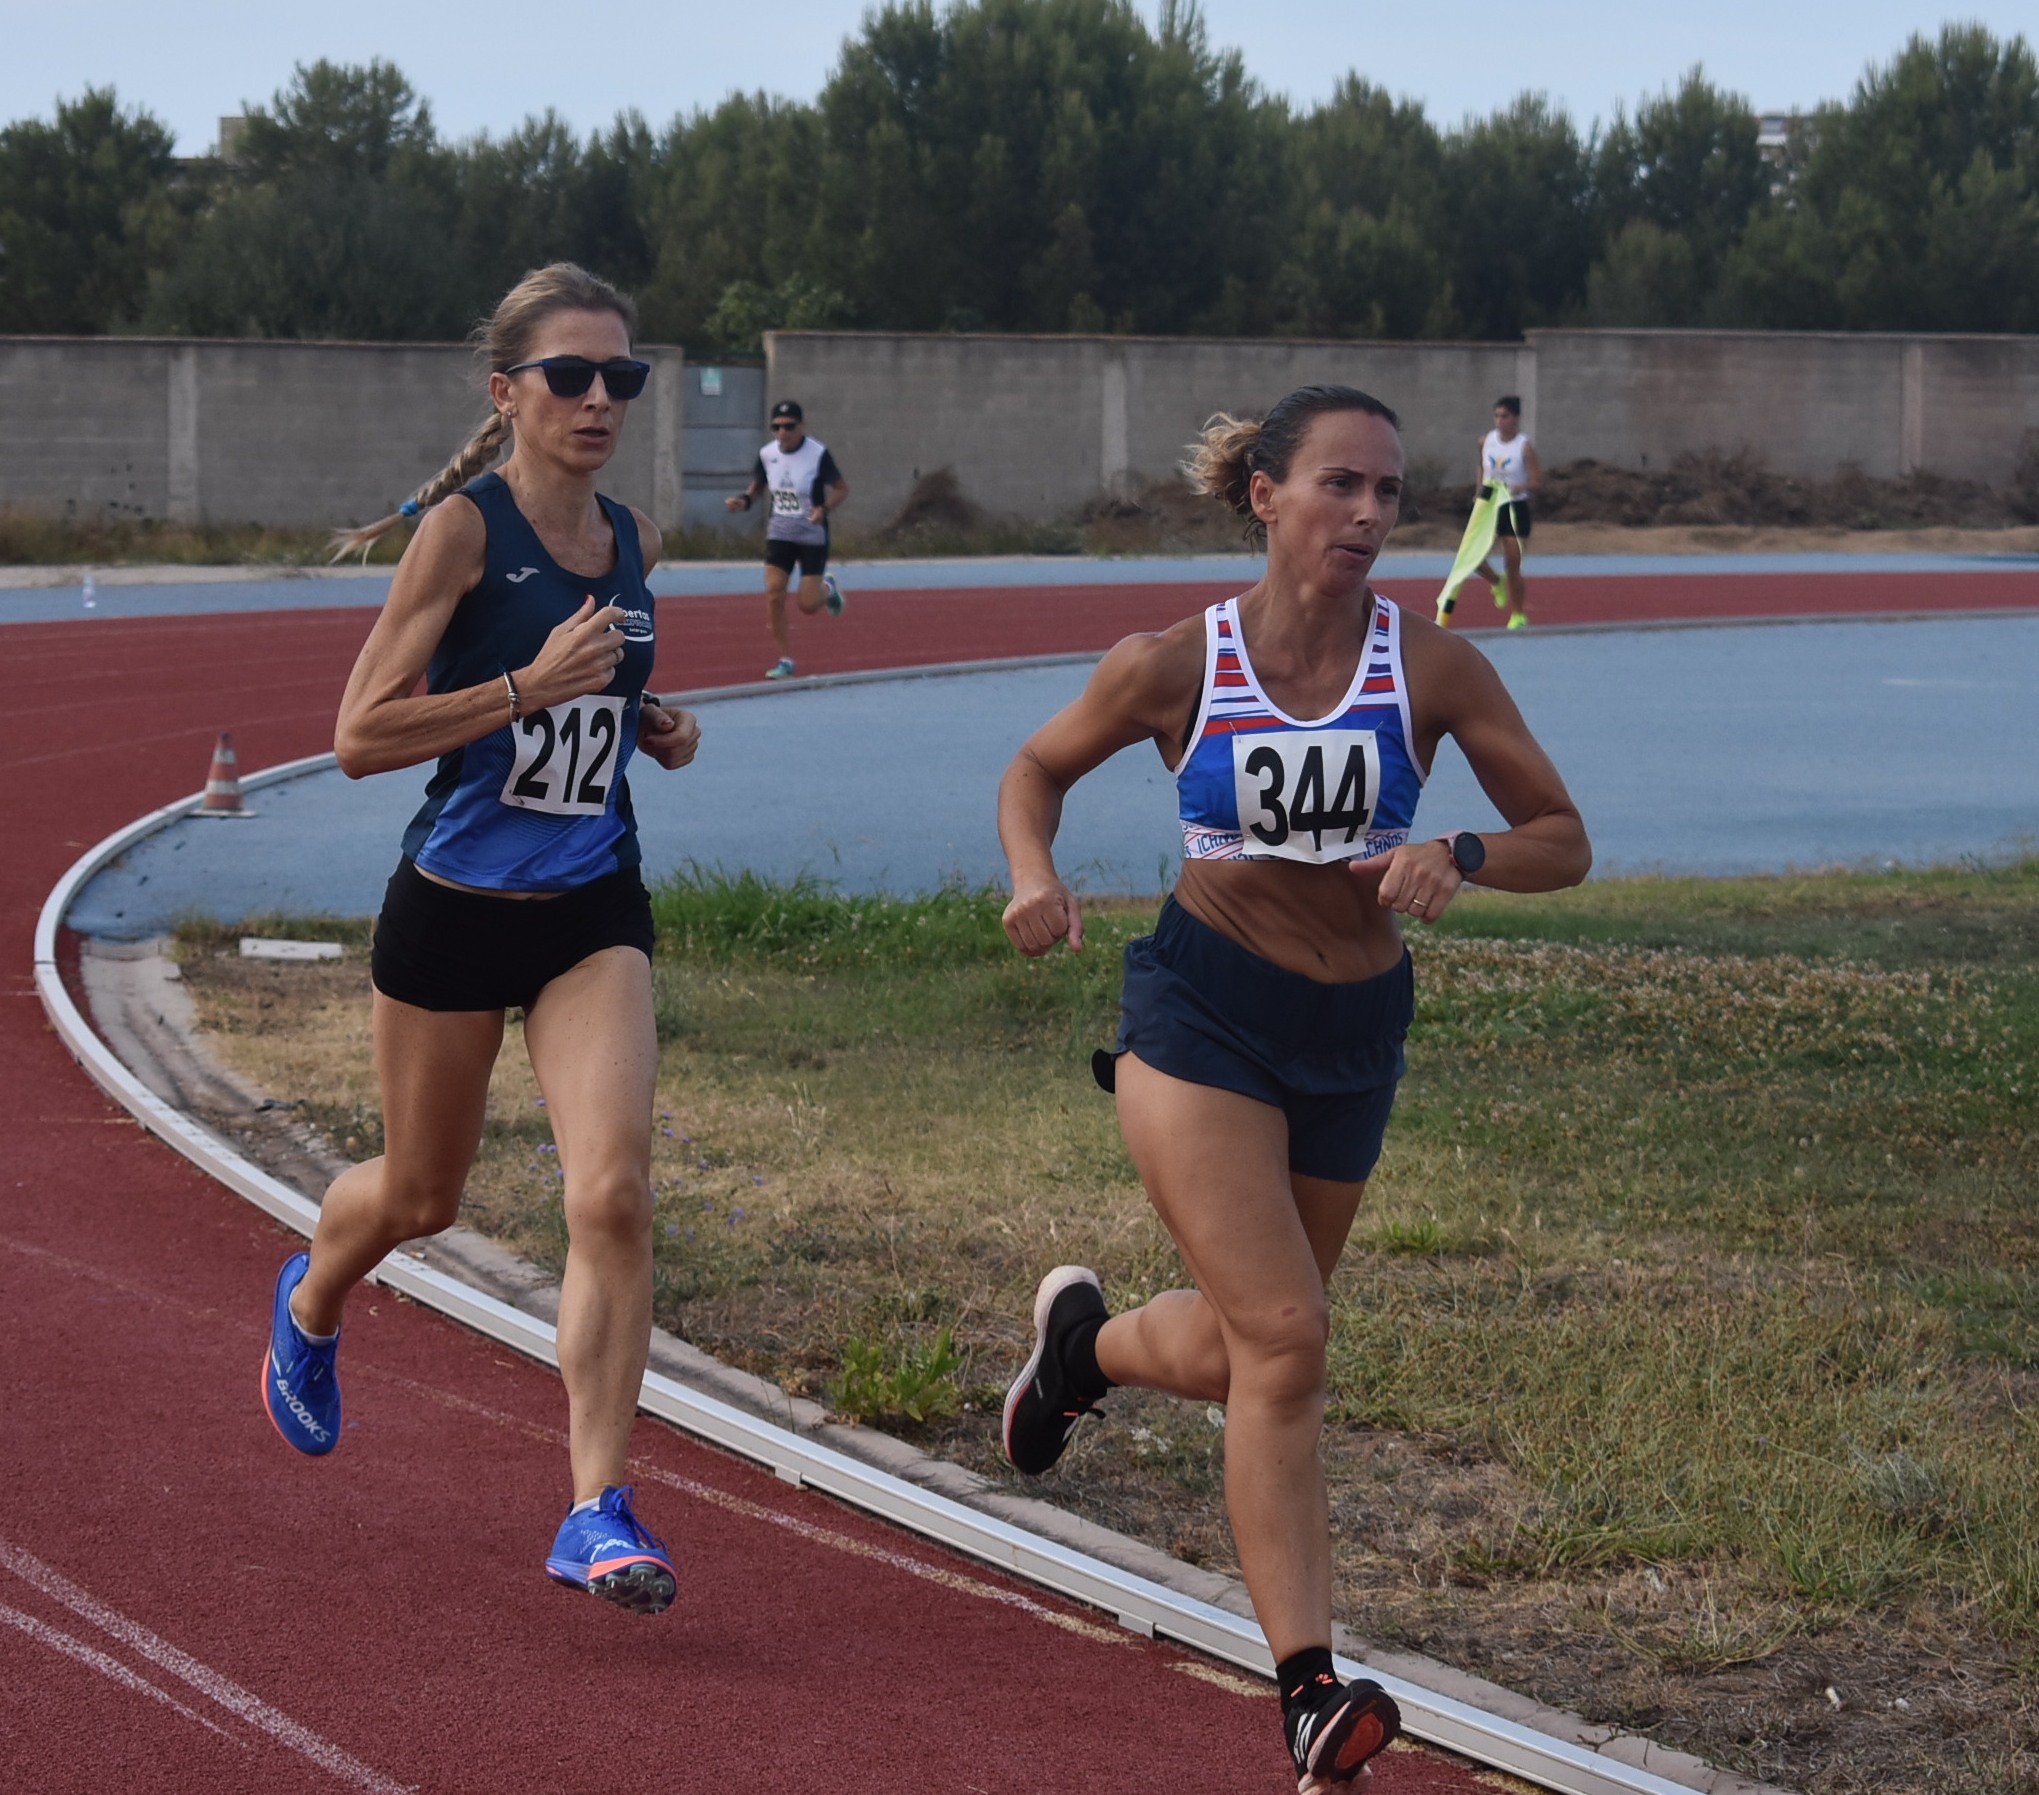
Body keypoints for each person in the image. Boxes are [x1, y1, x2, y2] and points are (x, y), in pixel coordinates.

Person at [995, 385, 1590, 1792]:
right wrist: (1032, 873)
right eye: (1339, 485)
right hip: (1200, 1009)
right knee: (1286, 1331)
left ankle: (1081, 1351)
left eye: (1388, 492)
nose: (1368, 515)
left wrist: (1461, 850)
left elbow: (1561, 835)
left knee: (1248, 1347)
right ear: (1263, 494)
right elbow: (1036, 766)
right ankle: (1309, 1688)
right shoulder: (1174, 662)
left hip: (1352, 1028)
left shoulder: (1431, 665)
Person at [263, 263, 703, 1617]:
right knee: (419, 1196)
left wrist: (646, 722)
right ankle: (311, 1297)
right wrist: (525, 686)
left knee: (611, 1193)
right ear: (506, 392)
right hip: (453, 909)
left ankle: (595, 1507)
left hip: (589, 908)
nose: (598, 399)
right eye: (570, 376)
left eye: (620, 377)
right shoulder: (461, 533)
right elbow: (358, 734)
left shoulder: (633, 535)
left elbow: (596, 696)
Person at [724, 399, 848, 679]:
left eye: (789, 426)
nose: (783, 432)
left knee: (808, 604)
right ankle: (785, 659)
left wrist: (824, 509)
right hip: (779, 533)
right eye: (777, 427)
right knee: (774, 593)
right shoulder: (767, 454)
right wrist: (743, 501)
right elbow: (757, 488)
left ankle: (827, 589)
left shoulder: (817, 453)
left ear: (802, 426)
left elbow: (842, 489)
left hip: (811, 534)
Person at [1472, 395, 1541, 630]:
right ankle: (1496, 581)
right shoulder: (1486, 441)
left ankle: (1518, 614)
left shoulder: (1524, 446)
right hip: (1490, 506)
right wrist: (1479, 490)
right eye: (1497, 416)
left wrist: (1521, 487)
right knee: (1473, 558)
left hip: (1514, 508)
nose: (1500, 421)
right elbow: (1481, 466)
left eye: (1505, 416)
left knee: (1512, 564)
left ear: (1516, 418)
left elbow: (1536, 481)